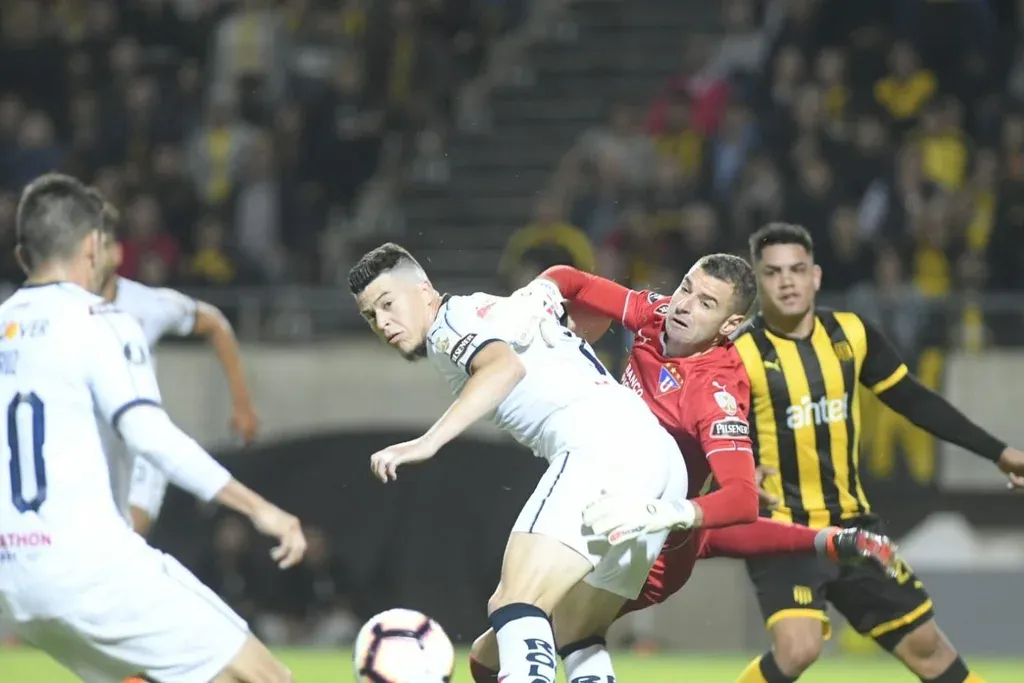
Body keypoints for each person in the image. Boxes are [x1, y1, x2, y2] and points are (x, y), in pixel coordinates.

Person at [589, 223, 1024, 683]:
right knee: (798, 648)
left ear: (815, 276)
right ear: (757, 286)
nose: (787, 282)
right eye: (773, 272)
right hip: (782, 526)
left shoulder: (851, 334)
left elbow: (913, 400)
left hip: (852, 520)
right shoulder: (733, 354)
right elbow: (695, 428)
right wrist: (729, 481)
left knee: (926, 647)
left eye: (796, 269)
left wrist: (998, 452)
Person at [467, 256, 898, 683]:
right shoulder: (657, 315)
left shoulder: (715, 392)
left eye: (707, 303)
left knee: (527, 626)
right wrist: (535, 298)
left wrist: (662, 513)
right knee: (512, 644)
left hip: (654, 543)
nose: (685, 306)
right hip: (611, 498)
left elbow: (741, 500)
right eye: (686, 288)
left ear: (730, 325)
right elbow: (573, 281)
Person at [0, 173, 304, 683]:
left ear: (22, 253)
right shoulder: (105, 321)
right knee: (266, 677)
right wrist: (261, 509)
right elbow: (150, 436)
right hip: (87, 569)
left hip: (14, 583)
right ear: (93, 245)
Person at [348, 242, 692, 683]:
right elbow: (575, 325)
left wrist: (427, 442)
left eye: (388, 304)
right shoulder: (491, 309)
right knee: (570, 635)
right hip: (659, 460)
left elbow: (504, 369)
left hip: (601, 448)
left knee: (515, 602)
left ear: (424, 289)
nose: (382, 322)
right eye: (370, 315)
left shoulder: (448, 324)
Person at [91, 194, 260, 537]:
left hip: (139, 444)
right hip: (87, 441)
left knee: (126, 542)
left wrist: (242, 404)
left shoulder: (147, 304)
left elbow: (214, 323)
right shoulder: (62, 309)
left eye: (100, 245)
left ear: (117, 252)